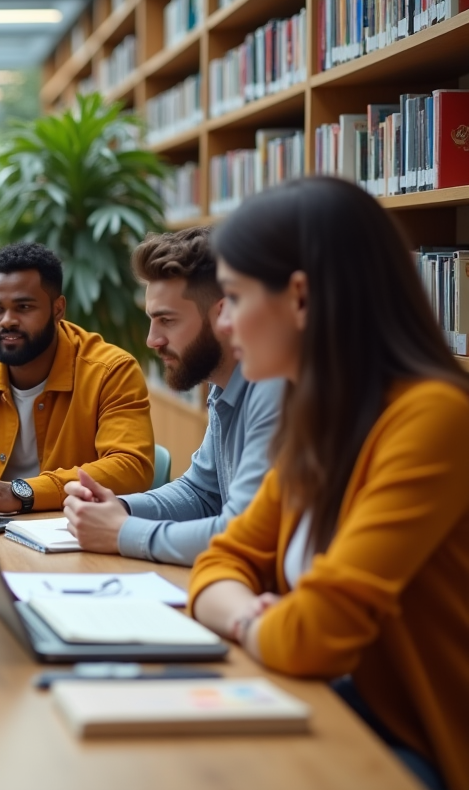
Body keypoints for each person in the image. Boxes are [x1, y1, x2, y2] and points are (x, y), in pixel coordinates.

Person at [188, 177, 469, 790]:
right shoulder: (318, 418)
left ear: (300, 298)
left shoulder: (434, 419)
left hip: (420, 745)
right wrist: (262, 621)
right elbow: (220, 562)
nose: (224, 323)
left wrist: (254, 622)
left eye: (233, 297)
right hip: (340, 707)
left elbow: (316, 634)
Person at [62, 228, 283, 565]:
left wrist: (122, 532)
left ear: (223, 314)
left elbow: (245, 534)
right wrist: (118, 508)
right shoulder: (224, 386)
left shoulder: (276, 388)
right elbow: (201, 493)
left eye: (166, 320)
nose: (152, 340)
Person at [0, 242, 154, 513]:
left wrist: (20, 492)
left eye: (23, 307)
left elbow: (131, 467)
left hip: (70, 527)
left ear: (58, 309)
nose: (7, 321)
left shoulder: (111, 371)